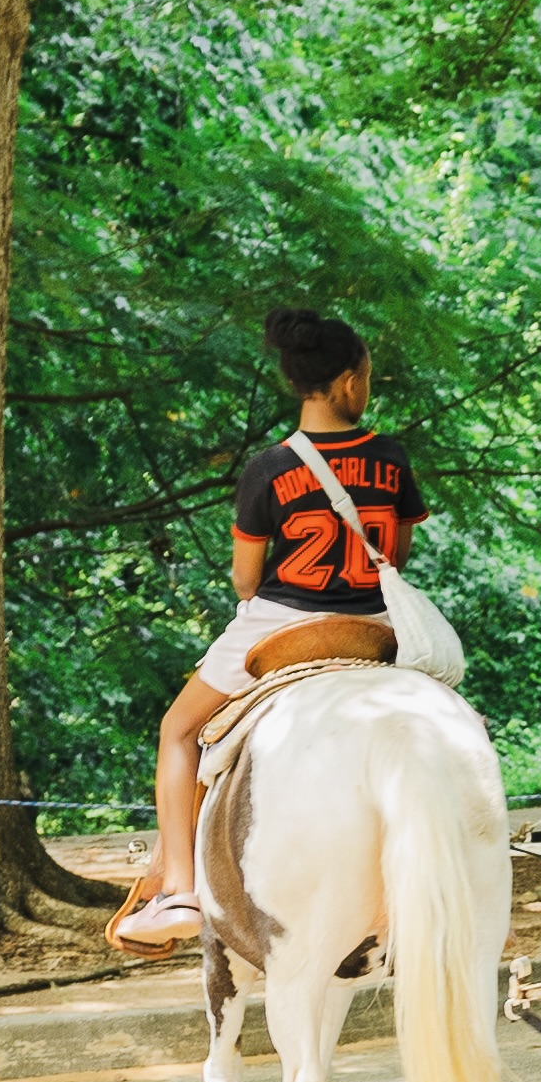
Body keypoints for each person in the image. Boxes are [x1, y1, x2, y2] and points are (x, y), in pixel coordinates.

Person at [116, 309, 426, 950]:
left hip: (283, 622)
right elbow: (399, 555)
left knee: (176, 732)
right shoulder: (391, 460)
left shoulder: (268, 467)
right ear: (346, 384)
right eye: (367, 377)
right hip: (375, 625)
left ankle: (178, 890)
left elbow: (244, 579)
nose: (367, 388)